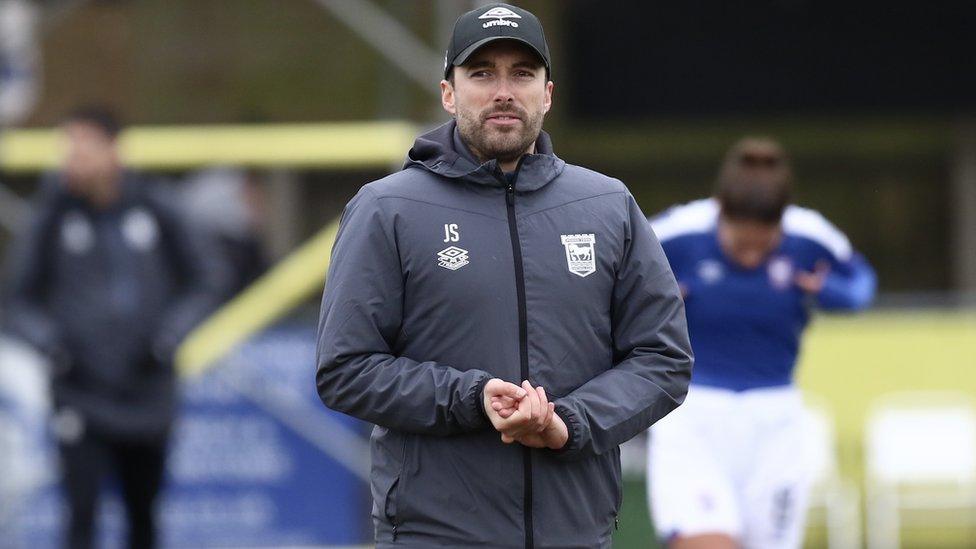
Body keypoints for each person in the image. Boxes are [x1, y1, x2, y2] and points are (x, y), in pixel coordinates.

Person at [315, 3, 693, 547]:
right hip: (435, 533)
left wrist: (572, 422)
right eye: (482, 73)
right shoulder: (385, 209)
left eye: (522, 73)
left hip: (577, 532)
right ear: (448, 93)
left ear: (548, 93)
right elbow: (344, 368)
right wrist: (471, 399)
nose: (503, 91)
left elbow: (663, 357)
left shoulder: (608, 205)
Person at [1, 106, 224, 549]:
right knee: (80, 519)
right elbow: (15, 299)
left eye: (81, 147)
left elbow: (208, 278)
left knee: (144, 520)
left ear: (112, 149)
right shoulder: (53, 216)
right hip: (79, 394)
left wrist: (169, 335)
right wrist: (53, 346)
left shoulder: (158, 207)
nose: (71, 160)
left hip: (149, 392)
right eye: (67, 150)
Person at [646, 137, 876, 549]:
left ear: (782, 222)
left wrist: (829, 292)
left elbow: (861, 287)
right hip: (692, 414)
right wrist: (654, 299)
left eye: (763, 245)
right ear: (720, 210)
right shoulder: (678, 233)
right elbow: (613, 280)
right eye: (740, 243)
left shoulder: (811, 235)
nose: (751, 257)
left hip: (776, 423)